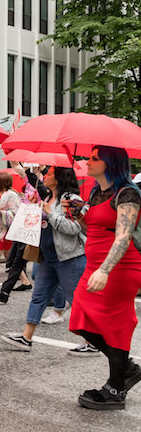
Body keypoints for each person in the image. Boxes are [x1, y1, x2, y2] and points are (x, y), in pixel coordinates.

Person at [68, 146, 141, 410]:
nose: (88, 161)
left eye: (95, 158)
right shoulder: (96, 192)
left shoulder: (128, 193)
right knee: (80, 318)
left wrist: (105, 270)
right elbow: (95, 227)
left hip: (119, 267)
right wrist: (79, 215)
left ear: (111, 163)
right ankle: (128, 368)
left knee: (114, 324)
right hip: (95, 265)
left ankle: (115, 387)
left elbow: (123, 235)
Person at [0, 166, 86, 351]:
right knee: (38, 296)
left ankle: (91, 342)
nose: (45, 176)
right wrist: (34, 209)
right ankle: (26, 337)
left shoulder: (72, 200)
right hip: (48, 256)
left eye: (50, 173)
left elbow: (74, 229)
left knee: (77, 300)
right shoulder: (47, 197)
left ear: (60, 177)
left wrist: (50, 212)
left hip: (68, 257)